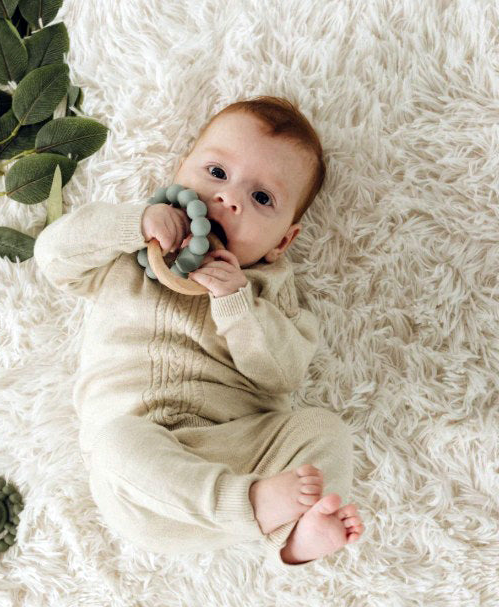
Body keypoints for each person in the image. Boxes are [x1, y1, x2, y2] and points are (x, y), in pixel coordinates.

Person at [33, 95, 365, 568]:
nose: (229, 199)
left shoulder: (271, 293)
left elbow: (281, 375)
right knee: (116, 443)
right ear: (178, 172)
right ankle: (253, 506)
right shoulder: (128, 251)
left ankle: (298, 534)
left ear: (282, 242)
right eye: (215, 173)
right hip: (145, 482)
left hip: (232, 446)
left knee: (324, 431)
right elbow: (53, 255)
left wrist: (237, 303)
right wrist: (134, 225)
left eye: (262, 198)